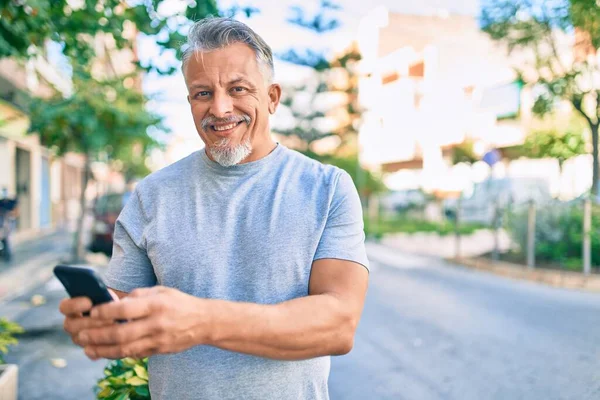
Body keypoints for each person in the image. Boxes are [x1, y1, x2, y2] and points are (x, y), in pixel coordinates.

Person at [60, 17, 369, 400]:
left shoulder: (328, 188)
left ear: (272, 97)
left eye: (238, 89)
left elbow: (337, 326)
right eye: (202, 93)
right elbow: (127, 314)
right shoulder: (150, 195)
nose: (220, 109)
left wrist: (203, 322)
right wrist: (101, 324)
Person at [0, 187, 18, 263]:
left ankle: (7, 255)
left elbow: (14, 212)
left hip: (7, 224)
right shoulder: (2, 203)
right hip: (3, 224)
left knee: (7, 239)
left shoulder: (10, 202)